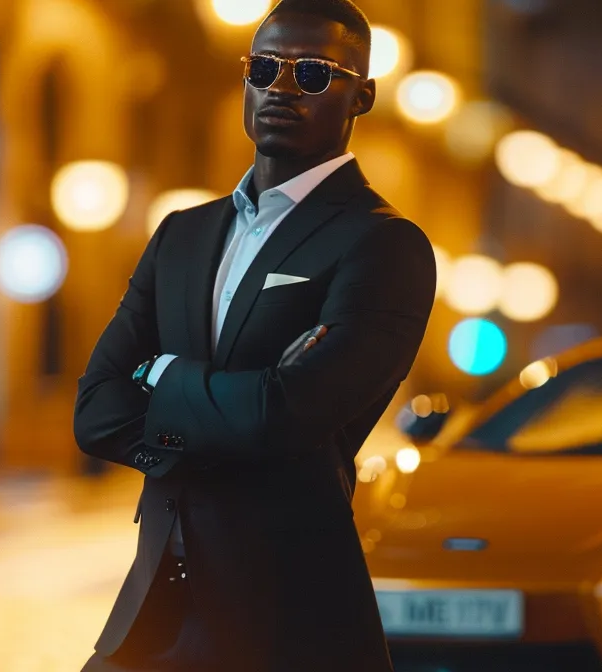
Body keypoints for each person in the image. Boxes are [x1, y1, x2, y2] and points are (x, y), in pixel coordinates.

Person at [72, 0, 435, 669]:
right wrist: (228, 417)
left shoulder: (384, 246)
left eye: (314, 75)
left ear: (363, 95)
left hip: (288, 623)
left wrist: (158, 380)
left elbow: (285, 414)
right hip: (154, 611)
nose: (281, 88)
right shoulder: (183, 234)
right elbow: (94, 411)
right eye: (264, 67)